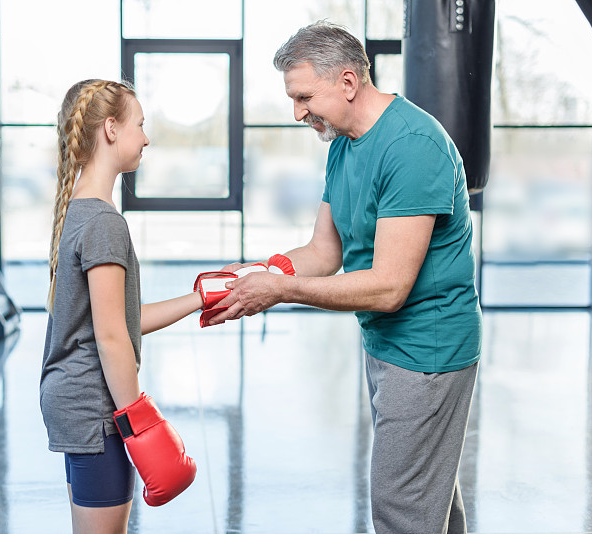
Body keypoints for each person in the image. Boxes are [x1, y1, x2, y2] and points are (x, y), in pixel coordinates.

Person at [207, 21, 482, 534]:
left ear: (349, 83)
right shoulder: (343, 144)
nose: (298, 112)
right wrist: (262, 271)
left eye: (305, 96)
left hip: (428, 351)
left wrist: (282, 290)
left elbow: (388, 287)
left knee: (403, 509)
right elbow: (323, 250)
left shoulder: (413, 146)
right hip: (384, 345)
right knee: (430, 500)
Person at [40, 79, 203, 534]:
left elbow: (121, 323)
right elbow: (112, 339)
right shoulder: (105, 222)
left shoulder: (79, 210)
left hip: (75, 400)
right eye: (141, 125)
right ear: (111, 129)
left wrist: (199, 297)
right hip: (94, 409)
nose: (146, 137)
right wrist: (143, 429)